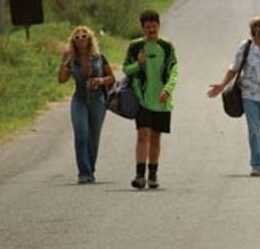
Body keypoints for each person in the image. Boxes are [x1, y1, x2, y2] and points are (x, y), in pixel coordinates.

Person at [207, 13, 260, 176]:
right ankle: (257, 163)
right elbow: (234, 68)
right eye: (259, 25)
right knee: (253, 129)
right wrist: (222, 85)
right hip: (249, 94)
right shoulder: (246, 46)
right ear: (253, 28)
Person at [123, 10, 178, 189]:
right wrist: (138, 63)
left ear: (159, 26)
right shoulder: (135, 46)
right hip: (142, 99)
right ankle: (140, 176)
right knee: (142, 134)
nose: (151, 29)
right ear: (143, 28)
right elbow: (126, 69)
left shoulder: (167, 47)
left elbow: (174, 71)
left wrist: (167, 90)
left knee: (155, 137)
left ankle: (153, 175)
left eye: (154, 26)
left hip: (162, 101)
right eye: (148, 27)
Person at [58, 26, 115, 184]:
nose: (81, 39)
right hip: (80, 98)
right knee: (81, 133)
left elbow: (111, 77)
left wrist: (100, 80)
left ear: (90, 39)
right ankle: (84, 172)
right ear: (73, 42)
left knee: (93, 137)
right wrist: (64, 61)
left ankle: (90, 169)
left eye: (84, 36)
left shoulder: (99, 57)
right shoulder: (72, 60)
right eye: (77, 37)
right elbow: (61, 79)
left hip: (98, 100)